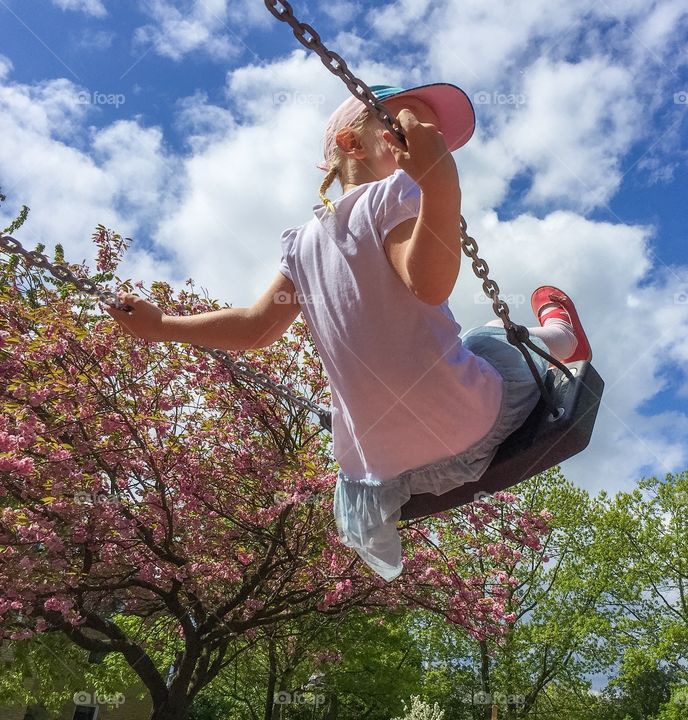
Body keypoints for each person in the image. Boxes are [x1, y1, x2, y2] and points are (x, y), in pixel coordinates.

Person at [104, 83, 592, 581]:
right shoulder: (394, 196)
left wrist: (163, 326)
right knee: (489, 338)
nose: (426, 136)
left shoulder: (303, 246)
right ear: (352, 144)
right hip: (466, 418)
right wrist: (440, 183)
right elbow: (428, 283)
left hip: (380, 468)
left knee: (453, 356)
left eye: (432, 134)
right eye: (407, 125)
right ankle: (562, 334)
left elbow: (255, 328)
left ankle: (548, 339)